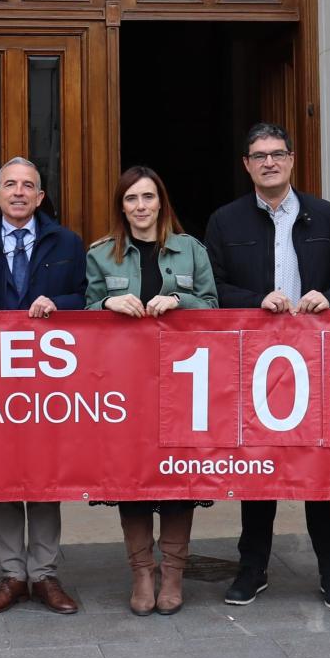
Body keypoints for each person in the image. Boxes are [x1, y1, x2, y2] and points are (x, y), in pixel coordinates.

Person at [203, 122, 330, 609]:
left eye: (277, 153)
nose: (269, 162)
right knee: (258, 468)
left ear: (292, 160)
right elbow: (213, 289)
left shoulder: (324, 215)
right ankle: (252, 569)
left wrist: (328, 296)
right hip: (253, 362)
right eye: (259, 155)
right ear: (247, 165)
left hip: (317, 363)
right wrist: (255, 301)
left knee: (320, 469)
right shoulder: (225, 221)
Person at [0, 156, 87, 615]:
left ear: (41, 197)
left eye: (29, 185)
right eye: (10, 184)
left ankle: (44, 575)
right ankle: (12, 574)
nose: (19, 192)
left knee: (45, 477)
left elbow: (88, 299)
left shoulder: (67, 241)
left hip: (49, 383)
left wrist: (59, 302)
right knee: (3, 474)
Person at [84, 166, 219, 616]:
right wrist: (105, 304)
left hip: (181, 383)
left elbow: (215, 308)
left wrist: (182, 302)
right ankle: (142, 572)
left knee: (180, 478)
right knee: (133, 479)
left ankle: (174, 573)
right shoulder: (101, 255)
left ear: (161, 202)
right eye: (131, 199)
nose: (140, 207)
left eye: (147, 197)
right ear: (121, 207)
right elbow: (84, 312)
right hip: (124, 386)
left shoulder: (192, 251)